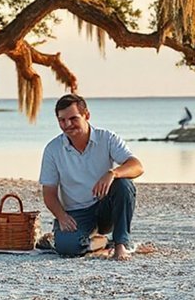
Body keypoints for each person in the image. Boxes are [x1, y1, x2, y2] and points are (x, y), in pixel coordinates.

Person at [39, 94, 143, 261]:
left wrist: (113, 173)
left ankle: (120, 245)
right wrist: (61, 216)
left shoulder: (107, 138)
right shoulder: (52, 149)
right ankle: (101, 242)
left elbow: (137, 166)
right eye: (62, 120)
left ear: (87, 115)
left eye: (73, 118)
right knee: (67, 249)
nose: (67, 125)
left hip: (105, 209)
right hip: (76, 213)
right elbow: (49, 193)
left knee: (124, 185)